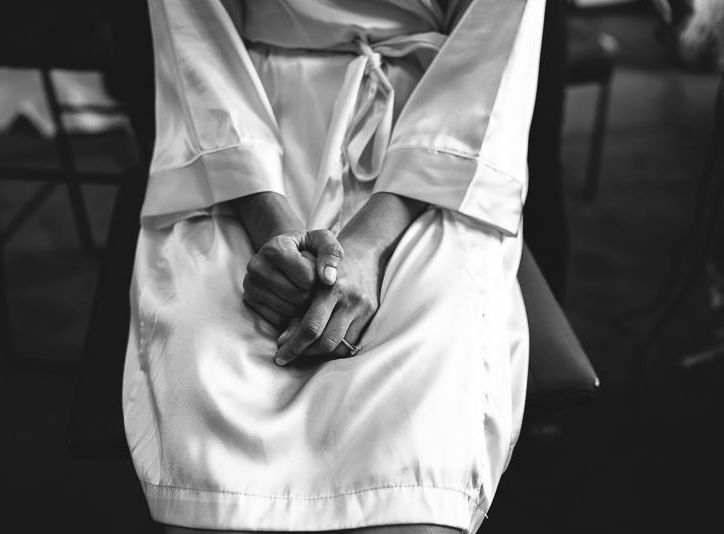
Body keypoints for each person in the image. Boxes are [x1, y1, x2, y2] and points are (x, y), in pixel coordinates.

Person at [122, 1, 545, 533]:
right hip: (242, 131)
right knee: (213, 422)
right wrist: (271, 223)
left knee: (411, 454)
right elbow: (195, 34)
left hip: (430, 146)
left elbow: (493, 47)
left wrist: (366, 246)